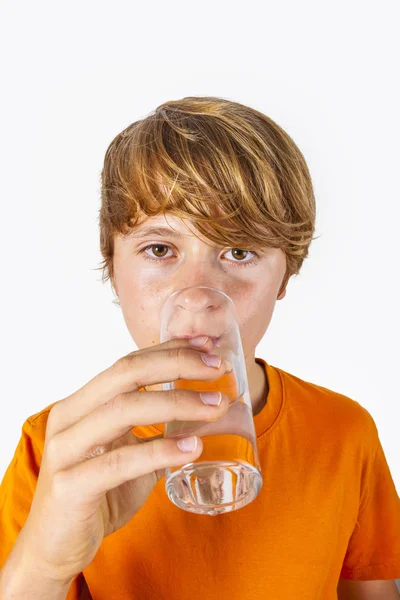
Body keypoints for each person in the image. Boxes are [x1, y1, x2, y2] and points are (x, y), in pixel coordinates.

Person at [0, 96, 399, 600]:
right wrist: (42, 565)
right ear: (113, 267)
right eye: (160, 249)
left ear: (286, 274)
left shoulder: (345, 434)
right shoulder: (58, 448)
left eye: (238, 251)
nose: (196, 297)